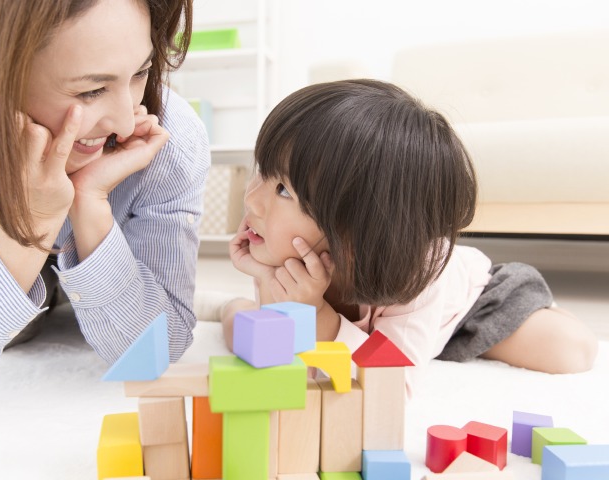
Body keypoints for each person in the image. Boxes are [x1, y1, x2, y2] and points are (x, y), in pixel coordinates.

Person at [0, 0, 210, 419]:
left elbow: (155, 351)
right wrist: (34, 222)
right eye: (90, 90)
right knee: (14, 332)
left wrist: (89, 205)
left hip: (112, 241)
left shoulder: (171, 139)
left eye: (142, 71)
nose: (126, 124)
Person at [218, 79, 598, 394]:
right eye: (260, 172)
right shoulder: (288, 254)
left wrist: (316, 314)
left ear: (356, 226)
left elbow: (391, 388)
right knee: (249, 339)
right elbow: (293, 372)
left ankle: (453, 332)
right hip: (381, 324)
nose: (251, 198)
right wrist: (269, 279)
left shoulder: (421, 267)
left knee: (571, 351)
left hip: (471, 304)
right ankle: (231, 307)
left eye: (283, 190)